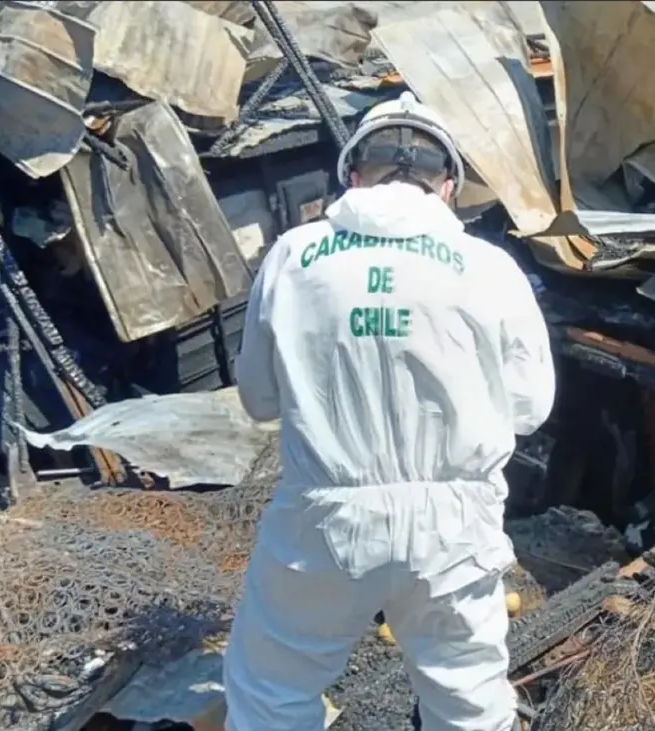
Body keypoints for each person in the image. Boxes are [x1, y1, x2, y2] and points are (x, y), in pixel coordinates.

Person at [225, 91, 556, 731]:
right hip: (455, 530)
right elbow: (529, 408)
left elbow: (258, 399)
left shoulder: (293, 255)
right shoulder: (491, 268)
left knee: (273, 692)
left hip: (324, 523)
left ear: (352, 176)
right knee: (469, 704)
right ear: (448, 187)